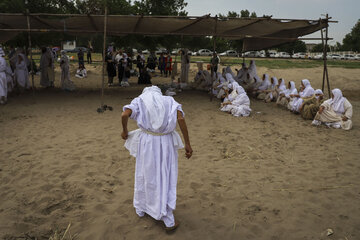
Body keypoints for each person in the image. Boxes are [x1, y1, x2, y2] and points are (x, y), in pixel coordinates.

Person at [121, 85, 193, 231]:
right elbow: (181, 119)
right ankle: (167, 219)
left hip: (147, 142)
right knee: (164, 175)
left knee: (145, 173)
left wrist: (124, 131)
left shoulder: (140, 100)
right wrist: (188, 144)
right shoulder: (170, 101)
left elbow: (124, 115)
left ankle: (141, 208)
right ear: (159, 94)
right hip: (165, 143)